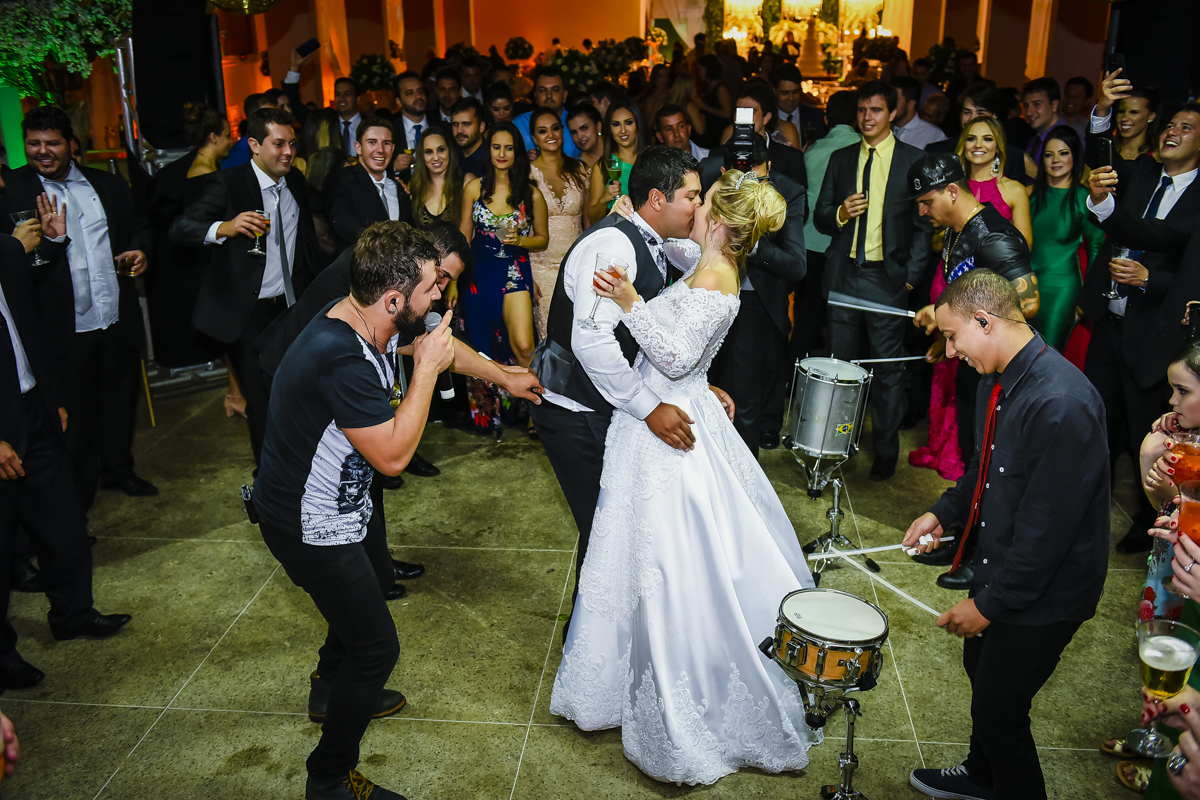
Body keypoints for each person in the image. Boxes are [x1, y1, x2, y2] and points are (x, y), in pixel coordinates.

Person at [549, 167, 817, 785]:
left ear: (719, 221)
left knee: (667, 562)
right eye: (689, 196)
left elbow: (673, 353)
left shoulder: (719, 274)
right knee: (628, 556)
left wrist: (630, 302)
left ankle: (683, 705)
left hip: (668, 428)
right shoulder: (707, 256)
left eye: (701, 202)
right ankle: (614, 685)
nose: (692, 208)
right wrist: (629, 217)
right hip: (676, 405)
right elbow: (670, 256)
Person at [251, 223, 452, 800]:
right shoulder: (341, 356)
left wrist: (506, 376)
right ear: (394, 299)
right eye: (430, 289)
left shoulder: (362, 317)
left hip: (342, 504)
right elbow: (392, 456)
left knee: (367, 596)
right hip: (306, 523)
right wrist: (428, 373)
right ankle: (328, 777)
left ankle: (326, 687)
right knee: (376, 646)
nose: (437, 296)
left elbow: (430, 343)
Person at [903, 267, 1109, 800]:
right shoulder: (1000, 379)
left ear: (984, 320)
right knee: (981, 670)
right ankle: (981, 774)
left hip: (1047, 591)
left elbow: (1047, 535)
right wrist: (943, 513)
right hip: (1005, 565)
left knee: (1000, 710)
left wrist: (991, 605)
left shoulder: (1061, 404)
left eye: (952, 337)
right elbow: (983, 469)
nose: (949, 352)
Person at [530, 145, 704, 631]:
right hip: (573, 409)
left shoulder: (648, 238)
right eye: (691, 196)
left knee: (616, 524)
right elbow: (592, 341)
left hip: (601, 405)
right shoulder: (614, 248)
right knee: (603, 528)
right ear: (656, 198)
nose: (697, 204)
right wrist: (650, 408)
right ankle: (585, 640)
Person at [2, 107, 158, 509]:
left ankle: (120, 471)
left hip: (113, 316)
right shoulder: (11, 189)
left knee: (119, 404)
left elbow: (140, 224)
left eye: (51, 143)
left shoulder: (105, 183)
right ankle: (74, 502)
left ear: (71, 144)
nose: (42, 152)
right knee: (75, 419)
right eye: (33, 143)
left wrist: (140, 248)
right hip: (61, 327)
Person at [0, 224, 132, 690]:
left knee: (63, 518)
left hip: (30, 404)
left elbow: (27, 325)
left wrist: (49, 395)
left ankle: (73, 613)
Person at [905, 154, 1039, 591]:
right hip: (973, 365)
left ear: (952, 191)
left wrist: (962, 319)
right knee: (974, 453)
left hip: (1000, 369)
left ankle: (983, 557)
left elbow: (1029, 303)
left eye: (926, 202)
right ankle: (964, 537)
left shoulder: (995, 237)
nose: (922, 212)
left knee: (995, 463)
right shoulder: (955, 232)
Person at [1082, 71, 1200, 553]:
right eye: (1170, 125)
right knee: (1096, 424)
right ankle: (1089, 510)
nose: (1172, 131)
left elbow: (1177, 252)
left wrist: (1151, 280)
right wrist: (1103, 111)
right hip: (1108, 321)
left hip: (1153, 331)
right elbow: (1102, 163)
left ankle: (1149, 522)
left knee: (1143, 432)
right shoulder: (1146, 172)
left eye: (1186, 128)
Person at [170, 107, 318, 466]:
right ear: (254, 144)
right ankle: (270, 482)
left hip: (291, 307)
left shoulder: (294, 180)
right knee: (262, 398)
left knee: (299, 390)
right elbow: (180, 229)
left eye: (292, 144)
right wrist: (224, 227)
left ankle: (303, 467)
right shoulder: (227, 183)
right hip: (248, 313)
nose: (287, 152)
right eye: (278, 144)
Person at [814, 79, 934, 481]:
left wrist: (911, 282)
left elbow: (923, 226)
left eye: (876, 110)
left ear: (893, 112)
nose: (867, 117)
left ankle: (885, 450)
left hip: (888, 279)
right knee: (840, 369)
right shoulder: (842, 158)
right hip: (845, 276)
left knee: (886, 371)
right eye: (862, 110)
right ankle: (834, 446)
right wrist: (841, 214)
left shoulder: (912, 160)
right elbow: (820, 216)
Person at [702, 133, 806, 457]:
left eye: (760, 178)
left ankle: (743, 477)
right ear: (725, 173)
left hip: (752, 302)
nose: (753, 186)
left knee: (745, 399)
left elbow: (797, 265)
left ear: (770, 167)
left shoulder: (787, 192)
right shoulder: (708, 186)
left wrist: (753, 242)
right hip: (705, 297)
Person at [459, 122, 548, 369]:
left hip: (514, 270)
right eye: (496, 147)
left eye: (508, 148)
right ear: (488, 150)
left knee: (524, 347)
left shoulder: (531, 194)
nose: (501, 154)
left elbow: (543, 239)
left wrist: (520, 240)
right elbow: (462, 239)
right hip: (478, 272)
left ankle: (532, 403)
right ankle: (494, 406)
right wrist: (454, 282)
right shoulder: (473, 188)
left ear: (517, 152)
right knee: (481, 350)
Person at [790, 90, 860, 406]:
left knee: (807, 316)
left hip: (809, 242)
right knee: (842, 322)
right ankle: (838, 386)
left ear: (828, 117)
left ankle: (795, 379)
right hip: (841, 245)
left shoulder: (815, 149)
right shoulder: (859, 151)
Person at [1028, 125, 1103, 350]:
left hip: (1062, 289)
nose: (1055, 160)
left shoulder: (1085, 198)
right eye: (1049, 154)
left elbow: (1096, 248)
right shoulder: (1030, 194)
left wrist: (1087, 298)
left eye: (1063, 153)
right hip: (1024, 286)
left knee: (1047, 356)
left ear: (1075, 156)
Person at [528, 107, 589, 341]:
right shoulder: (527, 175)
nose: (550, 135)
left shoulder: (581, 170)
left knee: (582, 339)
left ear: (562, 131)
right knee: (550, 338)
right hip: (540, 269)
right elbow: (517, 227)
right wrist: (525, 276)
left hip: (577, 266)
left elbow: (587, 222)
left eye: (555, 128)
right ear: (534, 137)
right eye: (542, 131)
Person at [327, 118, 414, 255]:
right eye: (372, 142)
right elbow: (343, 223)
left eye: (386, 143)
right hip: (357, 270)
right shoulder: (341, 179)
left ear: (392, 148)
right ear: (358, 147)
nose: (380, 150)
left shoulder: (398, 187)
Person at [926, 84, 1036, 185]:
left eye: (980, 113)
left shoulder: (1012, 157)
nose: (972, 119)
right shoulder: (936, 152)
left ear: (994, 117)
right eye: (967, 112)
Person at [956, 116, 1033, 245]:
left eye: (987, 139)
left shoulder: (1014, 190)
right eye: (971, 139)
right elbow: (935, 244)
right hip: (952, 263)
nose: (978, 145)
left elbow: (1025, 245)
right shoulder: (952, 187)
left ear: (998, 146)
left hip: (995, 264)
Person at [587, 101, 647, 224]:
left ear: (638, 124)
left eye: (628, 123)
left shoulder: (653, 157)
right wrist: (604, 199)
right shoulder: (602, 166)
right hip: (618, 236)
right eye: (616, 124)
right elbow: (593, 219)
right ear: (609, 129)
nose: (623, 130)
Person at [512, 67, 581, 159]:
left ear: (564, 95)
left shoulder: (576, 123)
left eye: (555, 90)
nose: (549, 95)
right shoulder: (519, 124)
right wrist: (523, 161)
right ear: (535, 96)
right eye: (542, 90)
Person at [409, 126, 464, 229]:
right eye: (429, 152)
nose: (436, 157)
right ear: (422, 156)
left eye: (441, 150)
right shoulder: (414, 186)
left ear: (449, 151)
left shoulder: (466, 182)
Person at [770, 63, 826, 146]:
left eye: (795, 92)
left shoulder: (817, 117)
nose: (791, 98)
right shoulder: (767, 119)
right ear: (774, 91)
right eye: (785, 93)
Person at [222, 92, 278, 170]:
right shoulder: (238, 154)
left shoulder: (280, 143)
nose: (275, 119)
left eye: (276, 114)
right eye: (267, 115)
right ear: (253, 117)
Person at [390, 71, 429, 179]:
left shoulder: (442, 127)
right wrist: (394, 168)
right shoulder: (390, 131)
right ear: (398, 101)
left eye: (420, 91)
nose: (418, 97)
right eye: (410, 93)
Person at [890, 76, 947, 148]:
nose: (890, 104)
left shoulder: (934, 136)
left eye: (895, 100)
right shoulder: (881, 129)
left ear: (910, 104)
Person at [694, 55, 733, 150]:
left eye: (701, 69)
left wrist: (704, 107)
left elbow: (727, 114)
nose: (699, 72)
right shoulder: (709, 87)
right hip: (711, 133)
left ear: (709, 69)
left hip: (718, 133)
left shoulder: (721, 88)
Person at [1022, 77, 1063, 167]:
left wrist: (1034, 172)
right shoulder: (1037, 138)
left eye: (1037, 104)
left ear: (1054, 105)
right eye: (1026, 106)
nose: (1029, 112)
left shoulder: (1066, 139)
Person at [1112, 87, 1161, 161]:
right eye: (1121, 111)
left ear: (1151, 116)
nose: (1124, 118)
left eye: (1134, 112)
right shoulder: (1107, 151)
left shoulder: (1158, 156)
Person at [450, 96, 487, 179]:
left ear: (481, 127)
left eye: (466, 124)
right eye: (455, 124)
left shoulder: (493, 159)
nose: (459, 130)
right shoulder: (450, 157)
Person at [663, 72, 707, 142]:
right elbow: (700, 130)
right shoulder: (690, 106)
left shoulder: (667, 102)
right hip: (687, 144)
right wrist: (702, 116)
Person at [566, 103, 604, 172]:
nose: (579, 136)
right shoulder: (576, 168)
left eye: (584, 128)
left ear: (598, 127)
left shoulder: (619, 151)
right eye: (574, 132)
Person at [331, 77, 363, 159]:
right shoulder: (329, 125)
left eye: (347, 94)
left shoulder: (370, 125)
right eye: (338, 94)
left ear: (357, 99)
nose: (341, 98)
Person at [637, 64, 672, 129]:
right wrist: (659, 102)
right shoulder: (651, 98)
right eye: (661, 76)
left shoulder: (671, 93)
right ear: (655, 78)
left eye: (667, 76)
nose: (665, 79)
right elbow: (649, 124)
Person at [1061, 76, 1094, 141]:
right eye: (1067, 95)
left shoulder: (1089, 129)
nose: (1070, 100)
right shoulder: (1051, 123)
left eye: (1076, 96)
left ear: (1086, 102)